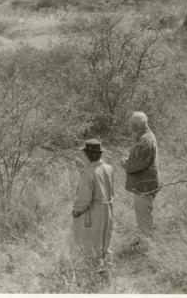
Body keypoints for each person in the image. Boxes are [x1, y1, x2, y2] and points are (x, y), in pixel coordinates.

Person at [72, 139, 114, 271]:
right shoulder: (108, 168)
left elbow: (85, 198)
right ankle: (105, 267)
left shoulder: (89, 172)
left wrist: (77, 211)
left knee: (90, 242)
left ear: (87, 155)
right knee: (104, 238)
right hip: (108, 209)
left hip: (94, 211)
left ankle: (92, 272)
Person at [121, 112, 159, 237]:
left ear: (138, 125)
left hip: (144, 187)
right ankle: (145, 245)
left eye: (132, 124)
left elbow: (138, 165)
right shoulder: (145, 137)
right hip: (144, 185)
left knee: (144, 222)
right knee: (143, 219)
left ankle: (147, 249)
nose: (131, 127)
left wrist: (125, 164)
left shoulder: (145, 140)